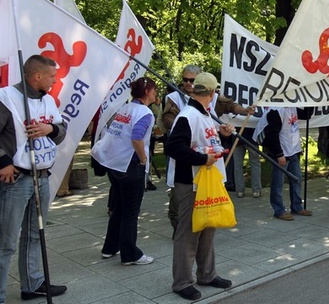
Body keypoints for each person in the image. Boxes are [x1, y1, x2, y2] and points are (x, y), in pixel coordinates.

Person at [0, 55, 68, 301]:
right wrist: (4, 162)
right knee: (6, 242)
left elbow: (61, 132)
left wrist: (49, 129)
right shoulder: (7, 97)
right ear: (37, 76)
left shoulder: (48, 100)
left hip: (41, 177)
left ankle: (33, 284)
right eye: (52, 76)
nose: (55, 80)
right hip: (16, 180)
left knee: (35, 234)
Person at [165, 72, 234, 301]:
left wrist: (222, 137)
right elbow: (173, 148)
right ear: (212, 93)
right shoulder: (188, 115)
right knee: (188, 233)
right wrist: (202, 160)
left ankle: (207, 274)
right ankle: (182, 282)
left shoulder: (205, 114)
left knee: (208, 230)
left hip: (208, 181)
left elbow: (207, 143)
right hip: (191, 183)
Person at [162, 65, 253, 236]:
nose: (188, 83)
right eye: (185, 80)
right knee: (185, 224)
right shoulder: (178, 102)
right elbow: (170, 129)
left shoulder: (207, 106)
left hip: (207, 174)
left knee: (205, 232)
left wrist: (223, 129)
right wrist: (202, 156)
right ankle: (177, 225)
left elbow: (229, 105)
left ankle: (200, 248)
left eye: (191, 80)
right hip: (190, 172)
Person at [91, 77, 157, 265]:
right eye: (154, 90)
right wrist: (144, 159)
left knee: (119, 208)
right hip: (130, 166)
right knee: (130, 212)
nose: (156, 93)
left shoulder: (125, 108)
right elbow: (137, 138)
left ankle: (110, 247)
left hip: (115, 165)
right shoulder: (145, 113)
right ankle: (130, 254)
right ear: (147, 92)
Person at [258, 106, 313, 221]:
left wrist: (310, 102)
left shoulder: (292, 107)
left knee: (296, 179)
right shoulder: (275, 110)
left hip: (293, 150)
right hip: (281, 151)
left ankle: (297, 206)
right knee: (278, 183)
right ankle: (279, 210)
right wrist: (279, 154)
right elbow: (272, 134)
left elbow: (306, 115)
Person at [233, 127, 262, 198]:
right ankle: (256, 190)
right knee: (254, 164)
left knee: (238, 165)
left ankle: (241, 190)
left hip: (239, 137)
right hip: (248, 138)